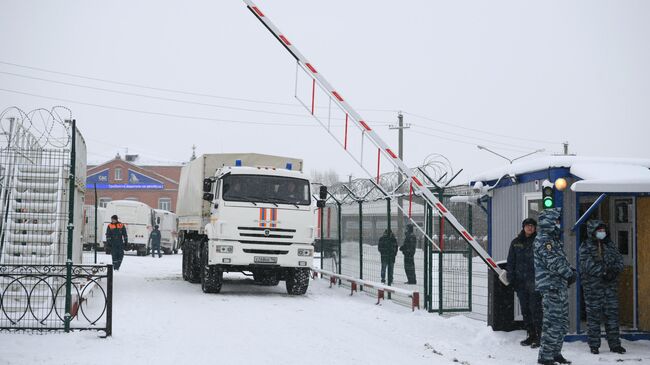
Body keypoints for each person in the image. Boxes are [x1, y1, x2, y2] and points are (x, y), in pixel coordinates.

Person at [533, 208, 576, 365]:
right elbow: (554, 262)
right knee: (553, 322)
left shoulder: (553, 239)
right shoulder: (544, 240)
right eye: (555, 221)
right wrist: (568, 273)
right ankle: (545, 356)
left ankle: (555, 353)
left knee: (562, 322)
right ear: (548, 222)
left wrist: (570, 270)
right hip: (551, 287)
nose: (558, 223)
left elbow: (560, 260)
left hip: (559, 286)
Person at [579, 220, 626, 355]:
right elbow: (587, 265)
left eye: (603, 230)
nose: (601, 233)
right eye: (599, 231)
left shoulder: (610, 245)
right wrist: (604, 272)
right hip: (593, 289)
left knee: (612, 316)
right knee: (594, 318)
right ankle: (594, 345)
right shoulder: (586, 246)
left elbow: (619, 261)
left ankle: (615, 345)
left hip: (610, 288)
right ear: (592, 232)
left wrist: (614, 272)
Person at [507, 217, 542, 348]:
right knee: (525, 310)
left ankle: (539, 337)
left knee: (536, 310)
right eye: (527, 226)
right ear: (523, 227)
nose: (530, 228)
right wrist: (511, 279)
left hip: (535, 282)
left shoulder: (539, 242)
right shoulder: (516, 242)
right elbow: (511, 261)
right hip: (520, 283)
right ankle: (531, 335)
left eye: (532, 226)